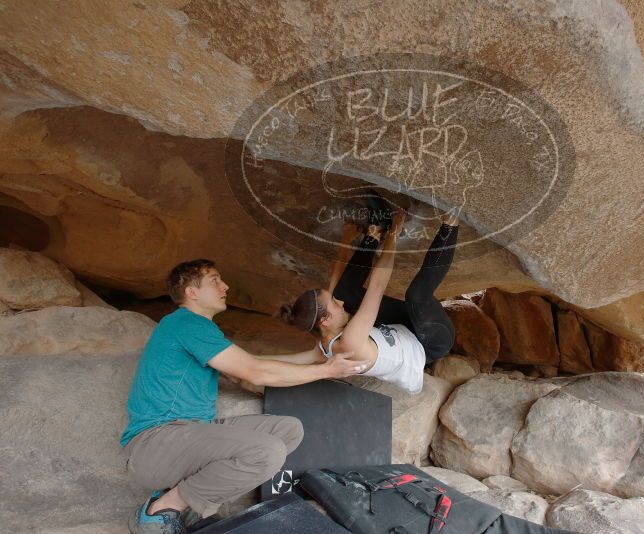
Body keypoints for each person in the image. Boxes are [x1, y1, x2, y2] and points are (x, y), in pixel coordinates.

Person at [123, 259, 362, 534]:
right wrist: (326, 371)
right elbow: (254, 372)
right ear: (191, 292)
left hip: (188, 434)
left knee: (288, 430)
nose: (225, 286)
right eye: (214, 280)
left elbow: (247, 365)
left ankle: (191, 505)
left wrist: (313, 357)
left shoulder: (198, 330)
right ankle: (160, 511)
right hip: (157, 443)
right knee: (267, 452)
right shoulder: (187, 324)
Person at [287, 203, 459, 395]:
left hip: (401, 329)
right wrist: (395, 232)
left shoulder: (322, 346)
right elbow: (378, 284)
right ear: (324, 320)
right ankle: (450, 224)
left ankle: (376, 231)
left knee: (343, 292)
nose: (339, 303)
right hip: (430, 343)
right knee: (416, 296)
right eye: (334, 304)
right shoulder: (350, 342)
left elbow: (336, 278)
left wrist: (346, 239)